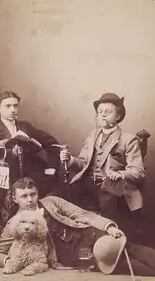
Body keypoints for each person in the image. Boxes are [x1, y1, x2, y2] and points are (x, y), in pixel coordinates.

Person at [0, 177, 155, 281]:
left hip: (86, 234)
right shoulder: (14, 222)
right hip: (70, 255)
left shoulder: (51, 202)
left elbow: (82, 214)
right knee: (119, 266)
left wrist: (108, 226)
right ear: (15, 199)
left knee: (128, 247)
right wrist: (9, 261)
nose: (30, 200)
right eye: (24, 196)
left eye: (32, 194)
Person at [56, 92, 146, 238]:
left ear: (118, 115)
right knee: (66, 194)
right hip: (89, 183)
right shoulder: (93, 135)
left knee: (107, 197)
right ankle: (80, 239)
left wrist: (120, 174)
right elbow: (83, 163)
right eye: (100, 112)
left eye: (108, 112)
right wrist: (69, 160)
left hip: (113, 188)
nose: (103, 115)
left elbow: (138, 171)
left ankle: (110, 239)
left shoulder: (129, 139)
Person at [0, 91, 60, 197]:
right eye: (8, 106)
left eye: (15, 106)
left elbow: (53, 144)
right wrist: (10, 153)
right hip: (5, 178)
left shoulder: (26, 127)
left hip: (31, 177)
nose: (13, 110)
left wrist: (52, 167)